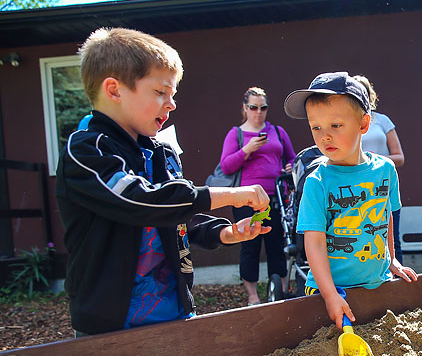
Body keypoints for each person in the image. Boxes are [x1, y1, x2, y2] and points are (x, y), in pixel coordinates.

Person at [56, 27, 270, 336]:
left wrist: (223, 232)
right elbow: (140, 200)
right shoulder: (86, 150)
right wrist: (231, 194)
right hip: (109, 327)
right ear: (114, 90)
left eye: (173, 95)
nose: (171, 104)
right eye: (160, 92)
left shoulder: (162, 153)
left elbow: (175, 215)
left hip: (175, 313)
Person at [285, 72, 418, 329]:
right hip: (330, 292)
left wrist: (391, 260)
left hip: (377, 283)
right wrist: (330, 295)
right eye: (316, 127)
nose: (325, 136)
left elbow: (385, 215)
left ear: (363, 125)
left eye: (335, 126)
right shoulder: (317, 183)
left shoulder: (385, 170)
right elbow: (313, 244)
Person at [217, 87, 296, 305]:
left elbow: (291, 158)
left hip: (276, 197)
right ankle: (253, 296)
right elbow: (227, 166)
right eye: (253, 107)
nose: (258, 112)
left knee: (276, 243)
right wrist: (248, 149)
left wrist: (289, 168)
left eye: (263, 107)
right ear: (245, 108)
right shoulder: (237, 134)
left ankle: (278, 292)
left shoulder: (277, 131)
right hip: (246, 199)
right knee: (250, 245)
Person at [355, 75, 406, 262]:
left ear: (370, 95)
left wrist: (373, 159)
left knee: (392, 239)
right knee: (363, 237)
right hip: (358, 188)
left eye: (364, 92)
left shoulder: (382, 121)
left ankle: (398, 284)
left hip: (384, 185)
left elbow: (399, 157)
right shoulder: (347, 123)